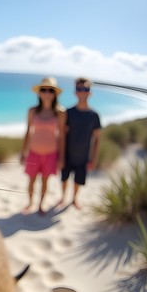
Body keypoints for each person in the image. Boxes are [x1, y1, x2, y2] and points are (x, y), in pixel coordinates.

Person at [20, 77, 65, 215]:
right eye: (43, 90)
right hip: (34, 153)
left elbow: (61, 136)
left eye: (50, 90)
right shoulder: (32, 111)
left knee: (45, 182)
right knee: (31, 181)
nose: (46, 93)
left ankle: (41, 205)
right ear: (39, 93)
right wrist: (23, 152)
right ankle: (30, 203)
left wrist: (61, 157)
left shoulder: (60, 112)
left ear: (55, 93)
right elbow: (28, 131)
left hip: (51, 154)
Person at [60, 77, 102, 209]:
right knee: (64, 179)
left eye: (86, 89)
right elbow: (62, 135)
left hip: (83, 157)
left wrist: (93, 159)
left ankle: (74, 199)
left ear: (90, 92)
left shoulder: (94, 115)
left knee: (78, 180)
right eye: (79, 89)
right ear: (75, 92)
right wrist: (60, 156)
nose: (82, 92)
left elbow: (97, 139)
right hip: (67, 154)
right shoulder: (68, 112)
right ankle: (62, 197)